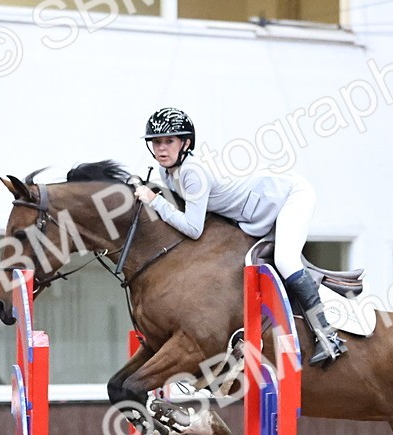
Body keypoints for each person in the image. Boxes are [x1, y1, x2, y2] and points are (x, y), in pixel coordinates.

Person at [133, 107, 345, 366]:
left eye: (169, 141)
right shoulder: (166, 170)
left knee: (286, 260)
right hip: (256, 210)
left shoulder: (192, 172)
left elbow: (193, 228)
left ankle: (328, 336)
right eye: (156, 142)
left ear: (185, 143)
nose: (161, 148)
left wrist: (156, 201)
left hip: (288, 195)